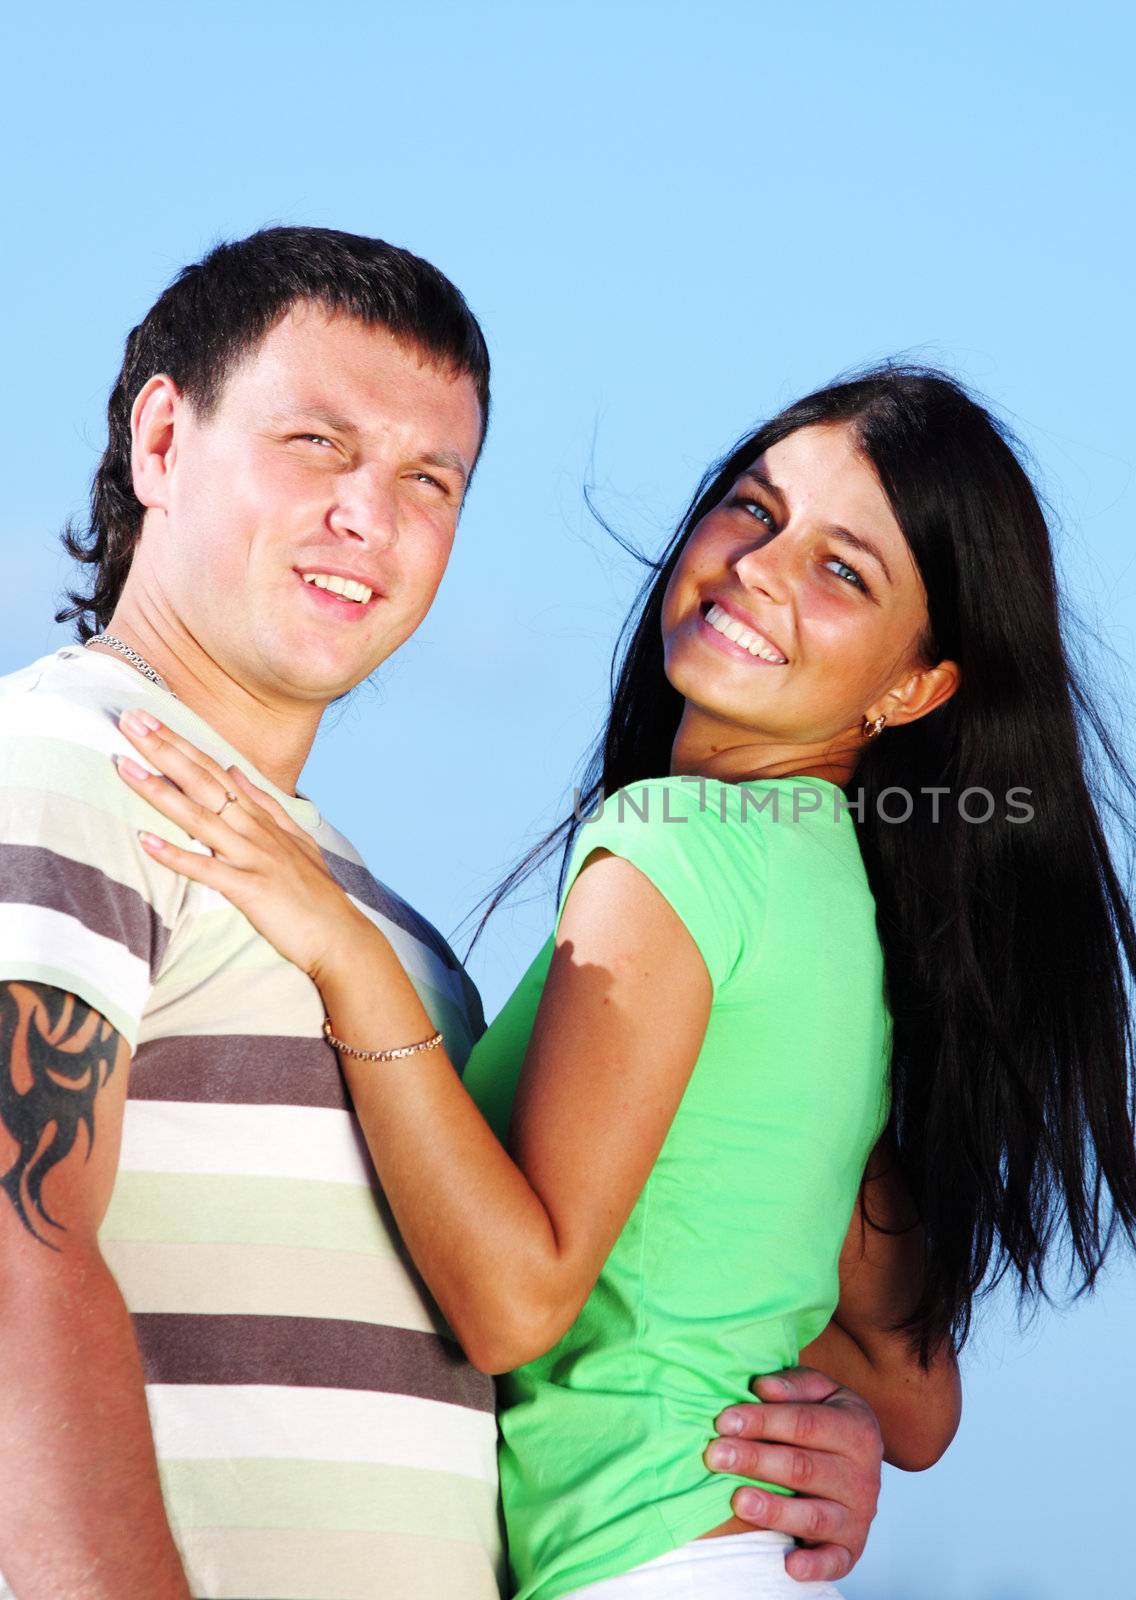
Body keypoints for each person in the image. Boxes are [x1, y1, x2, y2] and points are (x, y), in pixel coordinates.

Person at [109, 365, 1136, 1597]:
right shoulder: (837, 900)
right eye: (756, 510)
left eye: (844, 570)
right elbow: (912, 1396)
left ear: (913, 686)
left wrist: (342, 948)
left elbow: (512, 1306)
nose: (763, 565)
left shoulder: (674, 848)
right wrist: (816, 1423)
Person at [0, 227, 890, 1600]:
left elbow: (622, 1281)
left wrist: (807, 1439)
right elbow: (15, 1255)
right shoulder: (65, 763)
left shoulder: (407, 951)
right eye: (316, 443)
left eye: (431, 478)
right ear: (162, 442)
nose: (375, 514)